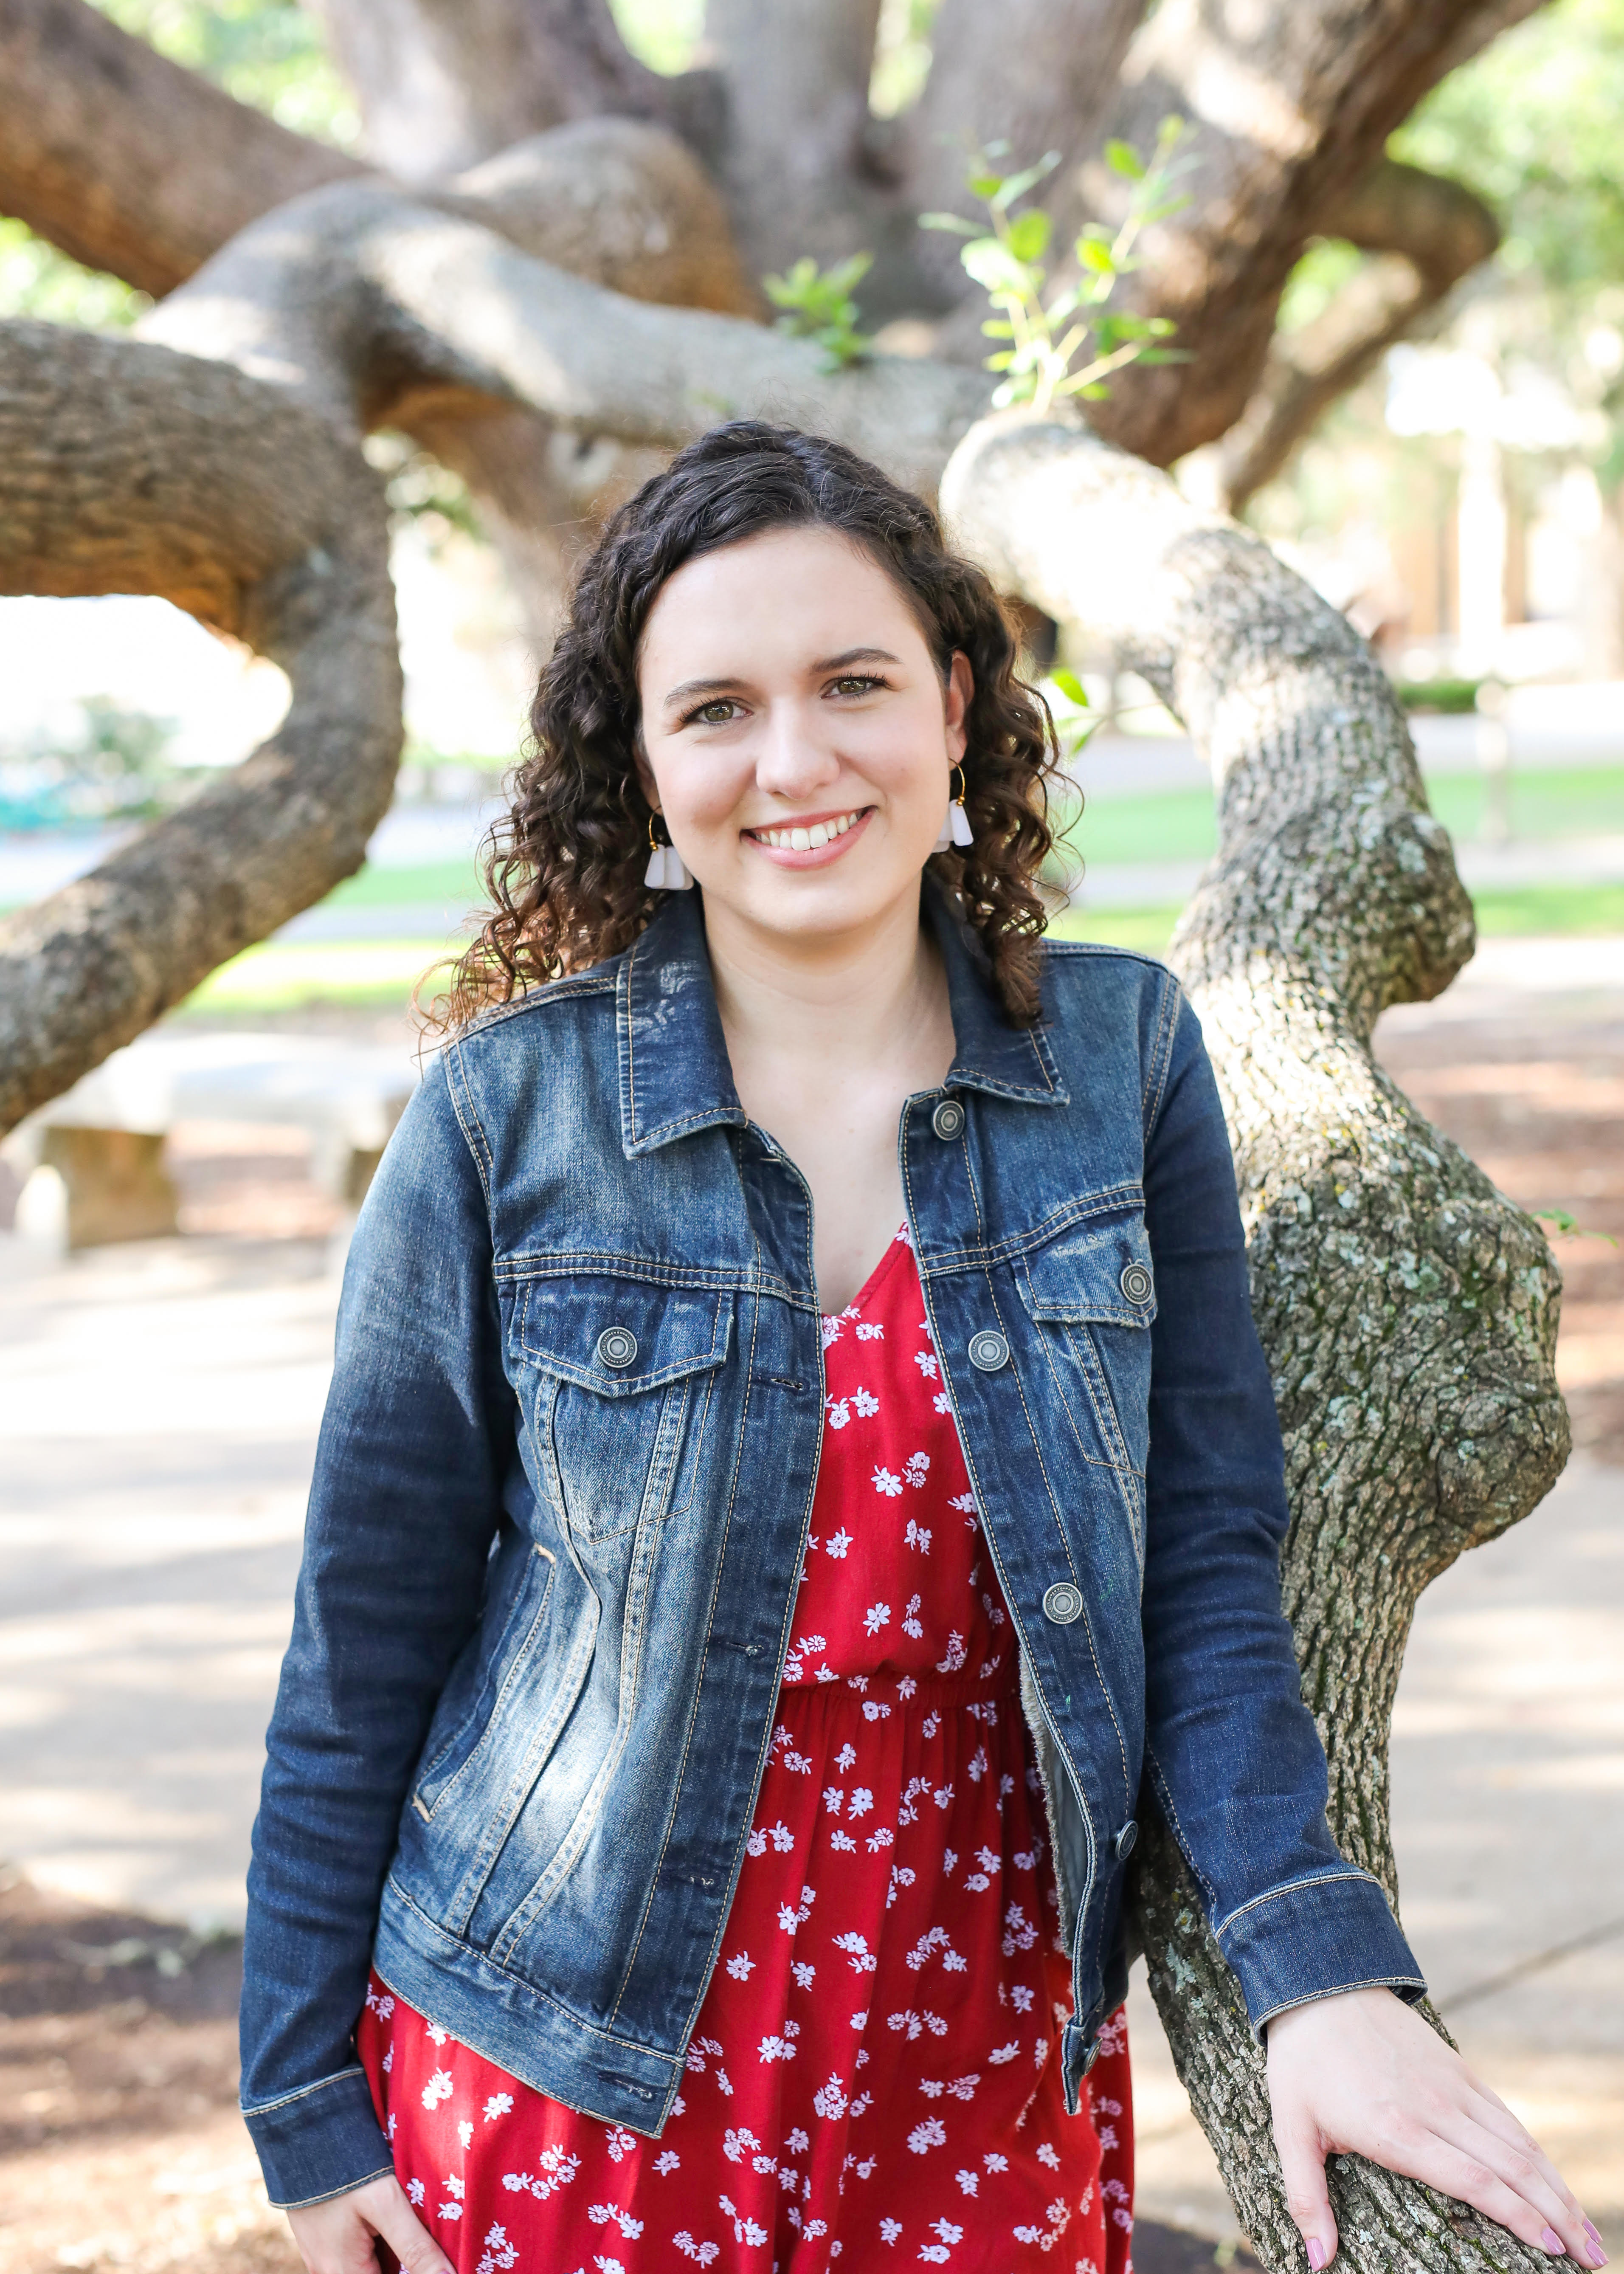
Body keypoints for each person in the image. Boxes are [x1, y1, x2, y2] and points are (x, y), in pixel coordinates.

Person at [240, 420, 1604, 2274]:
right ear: (642, 766)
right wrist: (305, 2106)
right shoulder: (504, 1115)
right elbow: (365, 1636)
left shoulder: (1120, 1065)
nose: (792, 761)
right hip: (561, 2050)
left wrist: (1321, 1968)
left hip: (976, 2044)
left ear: (954, 708)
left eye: (853, 683)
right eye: (715, 707)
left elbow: (1205, 1571)